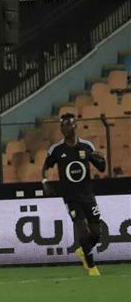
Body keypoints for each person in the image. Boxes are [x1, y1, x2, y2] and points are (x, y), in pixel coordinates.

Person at [43, 113, 106, 276]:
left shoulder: (86, 146)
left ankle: (82, 251)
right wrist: (45, 182)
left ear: (75, 126)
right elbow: (45, 167)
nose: (65, 128)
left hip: (88, 196)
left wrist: (102, 158)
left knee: (96, 233)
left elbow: (101, 168)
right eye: (62, 125)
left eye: (68, 124)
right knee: (82, 231)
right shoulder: (57, 150)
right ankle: (92, 267)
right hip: (71, 198)